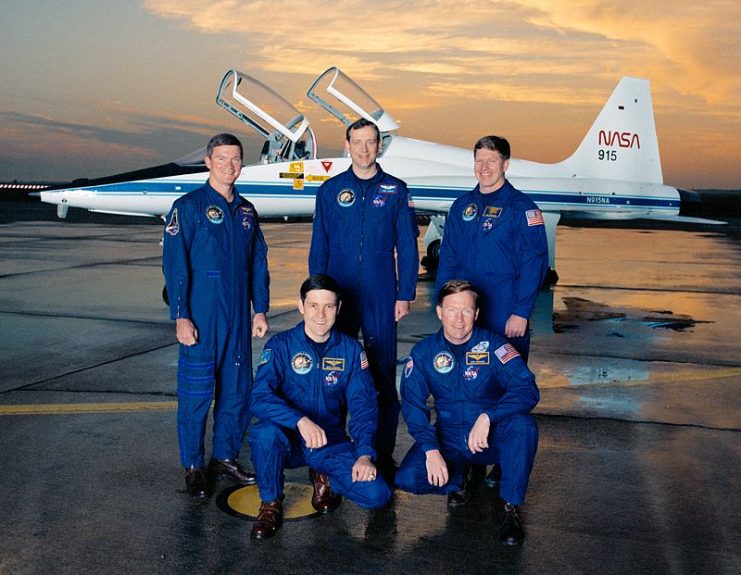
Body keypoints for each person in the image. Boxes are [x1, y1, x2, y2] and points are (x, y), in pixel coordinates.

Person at [308, 118, 419, 477]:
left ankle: (380, 455)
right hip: (336, 299)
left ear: (379, 146)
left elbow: (407, 245)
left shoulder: (396, 190)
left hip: (380, 296)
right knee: (331, 376)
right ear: (348, 144)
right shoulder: (329, 190)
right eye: (357, 142)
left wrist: (404, 294)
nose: (364, 148)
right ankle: (332, 454)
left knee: (383, 379)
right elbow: (319, 246)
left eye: (371, 142)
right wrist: (316, 295)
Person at [162, 133, 269, 499]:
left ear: (242, 163)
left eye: (236, 158)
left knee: (237, 392)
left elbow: (258, 262)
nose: (229, 165)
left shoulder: (246, 212)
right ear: (208, 161)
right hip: (202, 318)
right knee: (196, 394)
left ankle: (225, 456)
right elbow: (176, 265)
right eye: (222, 158)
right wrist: (181, 315)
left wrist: (261, 309)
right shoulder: (188, 207)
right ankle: (193, 464)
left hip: (238, 318)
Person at [395, 280, 539, 546]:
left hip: (488, 437)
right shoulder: (425, 353)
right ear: (439, 312)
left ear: (476, 313)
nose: (458, 319)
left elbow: (527, 388)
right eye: (451, 310)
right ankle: (460, 477)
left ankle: (511, 508)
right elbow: (412, 404)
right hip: (449, 437)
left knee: (523, 426)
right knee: (407, 478)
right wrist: (430, 450)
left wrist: (489, 417)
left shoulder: (494, 347)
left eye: (466, 311)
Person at [248, 274, 392, 540]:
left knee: (377, 495)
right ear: (301, 306)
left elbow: (363, 407)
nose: (321, 314)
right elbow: (259, 398)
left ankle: (323, 473)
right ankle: (270, 503)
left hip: (328, 441)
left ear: (339, 308)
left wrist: (364, 454)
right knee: (265, 434)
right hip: (288, 439)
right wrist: (299, 420)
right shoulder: (280, 346)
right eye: (313, 305)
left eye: (328, 306)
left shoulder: (350, 351)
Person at [435, 135, 548, 364]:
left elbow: (534, 263)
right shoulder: (461, 206)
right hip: (465, 311)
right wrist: (444, 303)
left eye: (492, 161)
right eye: (479, 161)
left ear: (505, 164)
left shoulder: (522, 209)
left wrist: (521, 312)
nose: (484, 168)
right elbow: (448, 258)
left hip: (504, 310)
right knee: (466, 376)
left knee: (506, 378)